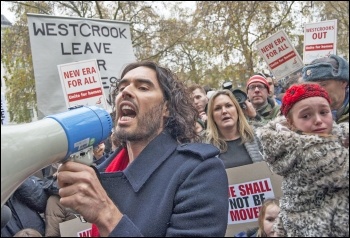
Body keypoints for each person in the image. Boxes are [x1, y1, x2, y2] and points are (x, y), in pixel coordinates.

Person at [57, 61, 229, 237]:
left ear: (166, 108)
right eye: (121, 87)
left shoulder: (200, 171)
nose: (125, 92)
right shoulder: (102, 172)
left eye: (143, 88)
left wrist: (106, 215)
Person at [256, 83, 349, 237]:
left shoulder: (307, 140)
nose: (318, 120)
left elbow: (339, 132)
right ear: (290, 123)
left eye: (324, 112)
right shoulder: (310, 150)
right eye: (306, 116)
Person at [205, 89, 263, 168]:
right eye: (217, 108)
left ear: (237, 110)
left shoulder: (258, 135)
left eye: (228, 106)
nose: (224, 111)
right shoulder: (205, 145)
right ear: (212, 116)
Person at [302, 54, 349, 123]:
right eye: (311, 86)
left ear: (343, 82)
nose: (317, 90)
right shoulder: (302, 115)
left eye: (323, 84)